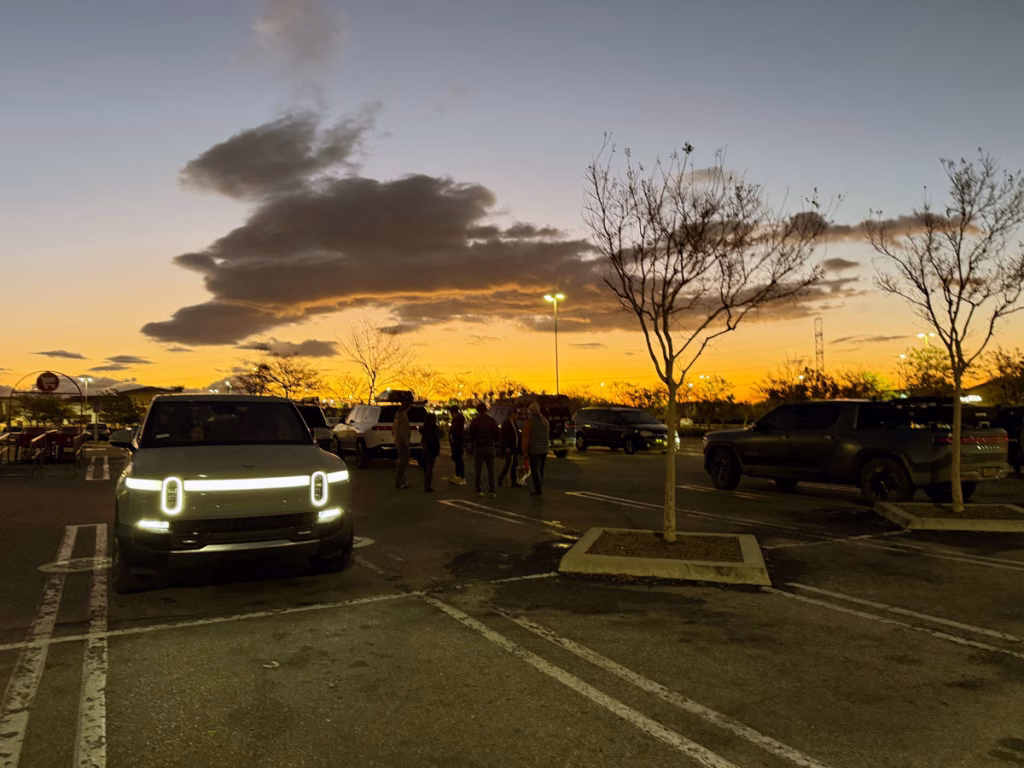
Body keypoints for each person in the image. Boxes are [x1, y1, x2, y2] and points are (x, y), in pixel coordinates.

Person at [467, 403, 501, 497]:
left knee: (478, 470)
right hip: (490, 446)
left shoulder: (474, 422)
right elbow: (497, 435)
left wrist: (472, 444)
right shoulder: (491, 421)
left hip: (479, 447)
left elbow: (471, 436)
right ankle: (492, 490)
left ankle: (479, 490)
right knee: (491, 470)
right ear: (486, 410)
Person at [520, 401, 550, 496]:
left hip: (534, 450)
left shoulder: (529, 423)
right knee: (541, 469)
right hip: (544, 449)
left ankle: (538, 489)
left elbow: (526, 437)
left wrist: (524, 450)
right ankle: (540, 485)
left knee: (534, 470)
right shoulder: (545, 421)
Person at [497, 409, 522, 488]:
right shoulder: (506, 424)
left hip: (515, 446)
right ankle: (501, 478)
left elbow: (516, 434)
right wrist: (506, 447)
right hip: (510, 447)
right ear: (512, 414)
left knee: (515, 464)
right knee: (508, 463)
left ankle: (514, 481)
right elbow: (504, 437)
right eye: (516, 414)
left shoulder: (514, 423)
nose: (517, 416)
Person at [420, 411, 441, 492]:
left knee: (426, 467)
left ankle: (426, 482)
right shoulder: (434, 428)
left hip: (425, 449)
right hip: (432, 449)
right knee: (430, 467)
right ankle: (427, 484)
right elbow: (436, 439)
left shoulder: (424, 428)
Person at [393, 401, 412, 489]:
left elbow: (393, 430)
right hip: (403, 443)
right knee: (403, 463)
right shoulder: (403, 418)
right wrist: (406, 444)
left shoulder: (397, 417)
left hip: (399, 441)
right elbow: (404, 432)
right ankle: (400, 481)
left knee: (402, 462)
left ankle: (402, 481)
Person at [448, 406, 467, 485]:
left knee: (458, 459)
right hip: (458, 443)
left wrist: (453, 438)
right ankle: (458, 475)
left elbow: (456, 432)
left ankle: (460, 477)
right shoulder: (460, 420)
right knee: (458, 459)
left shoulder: (457, 421)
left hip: (457, 443)